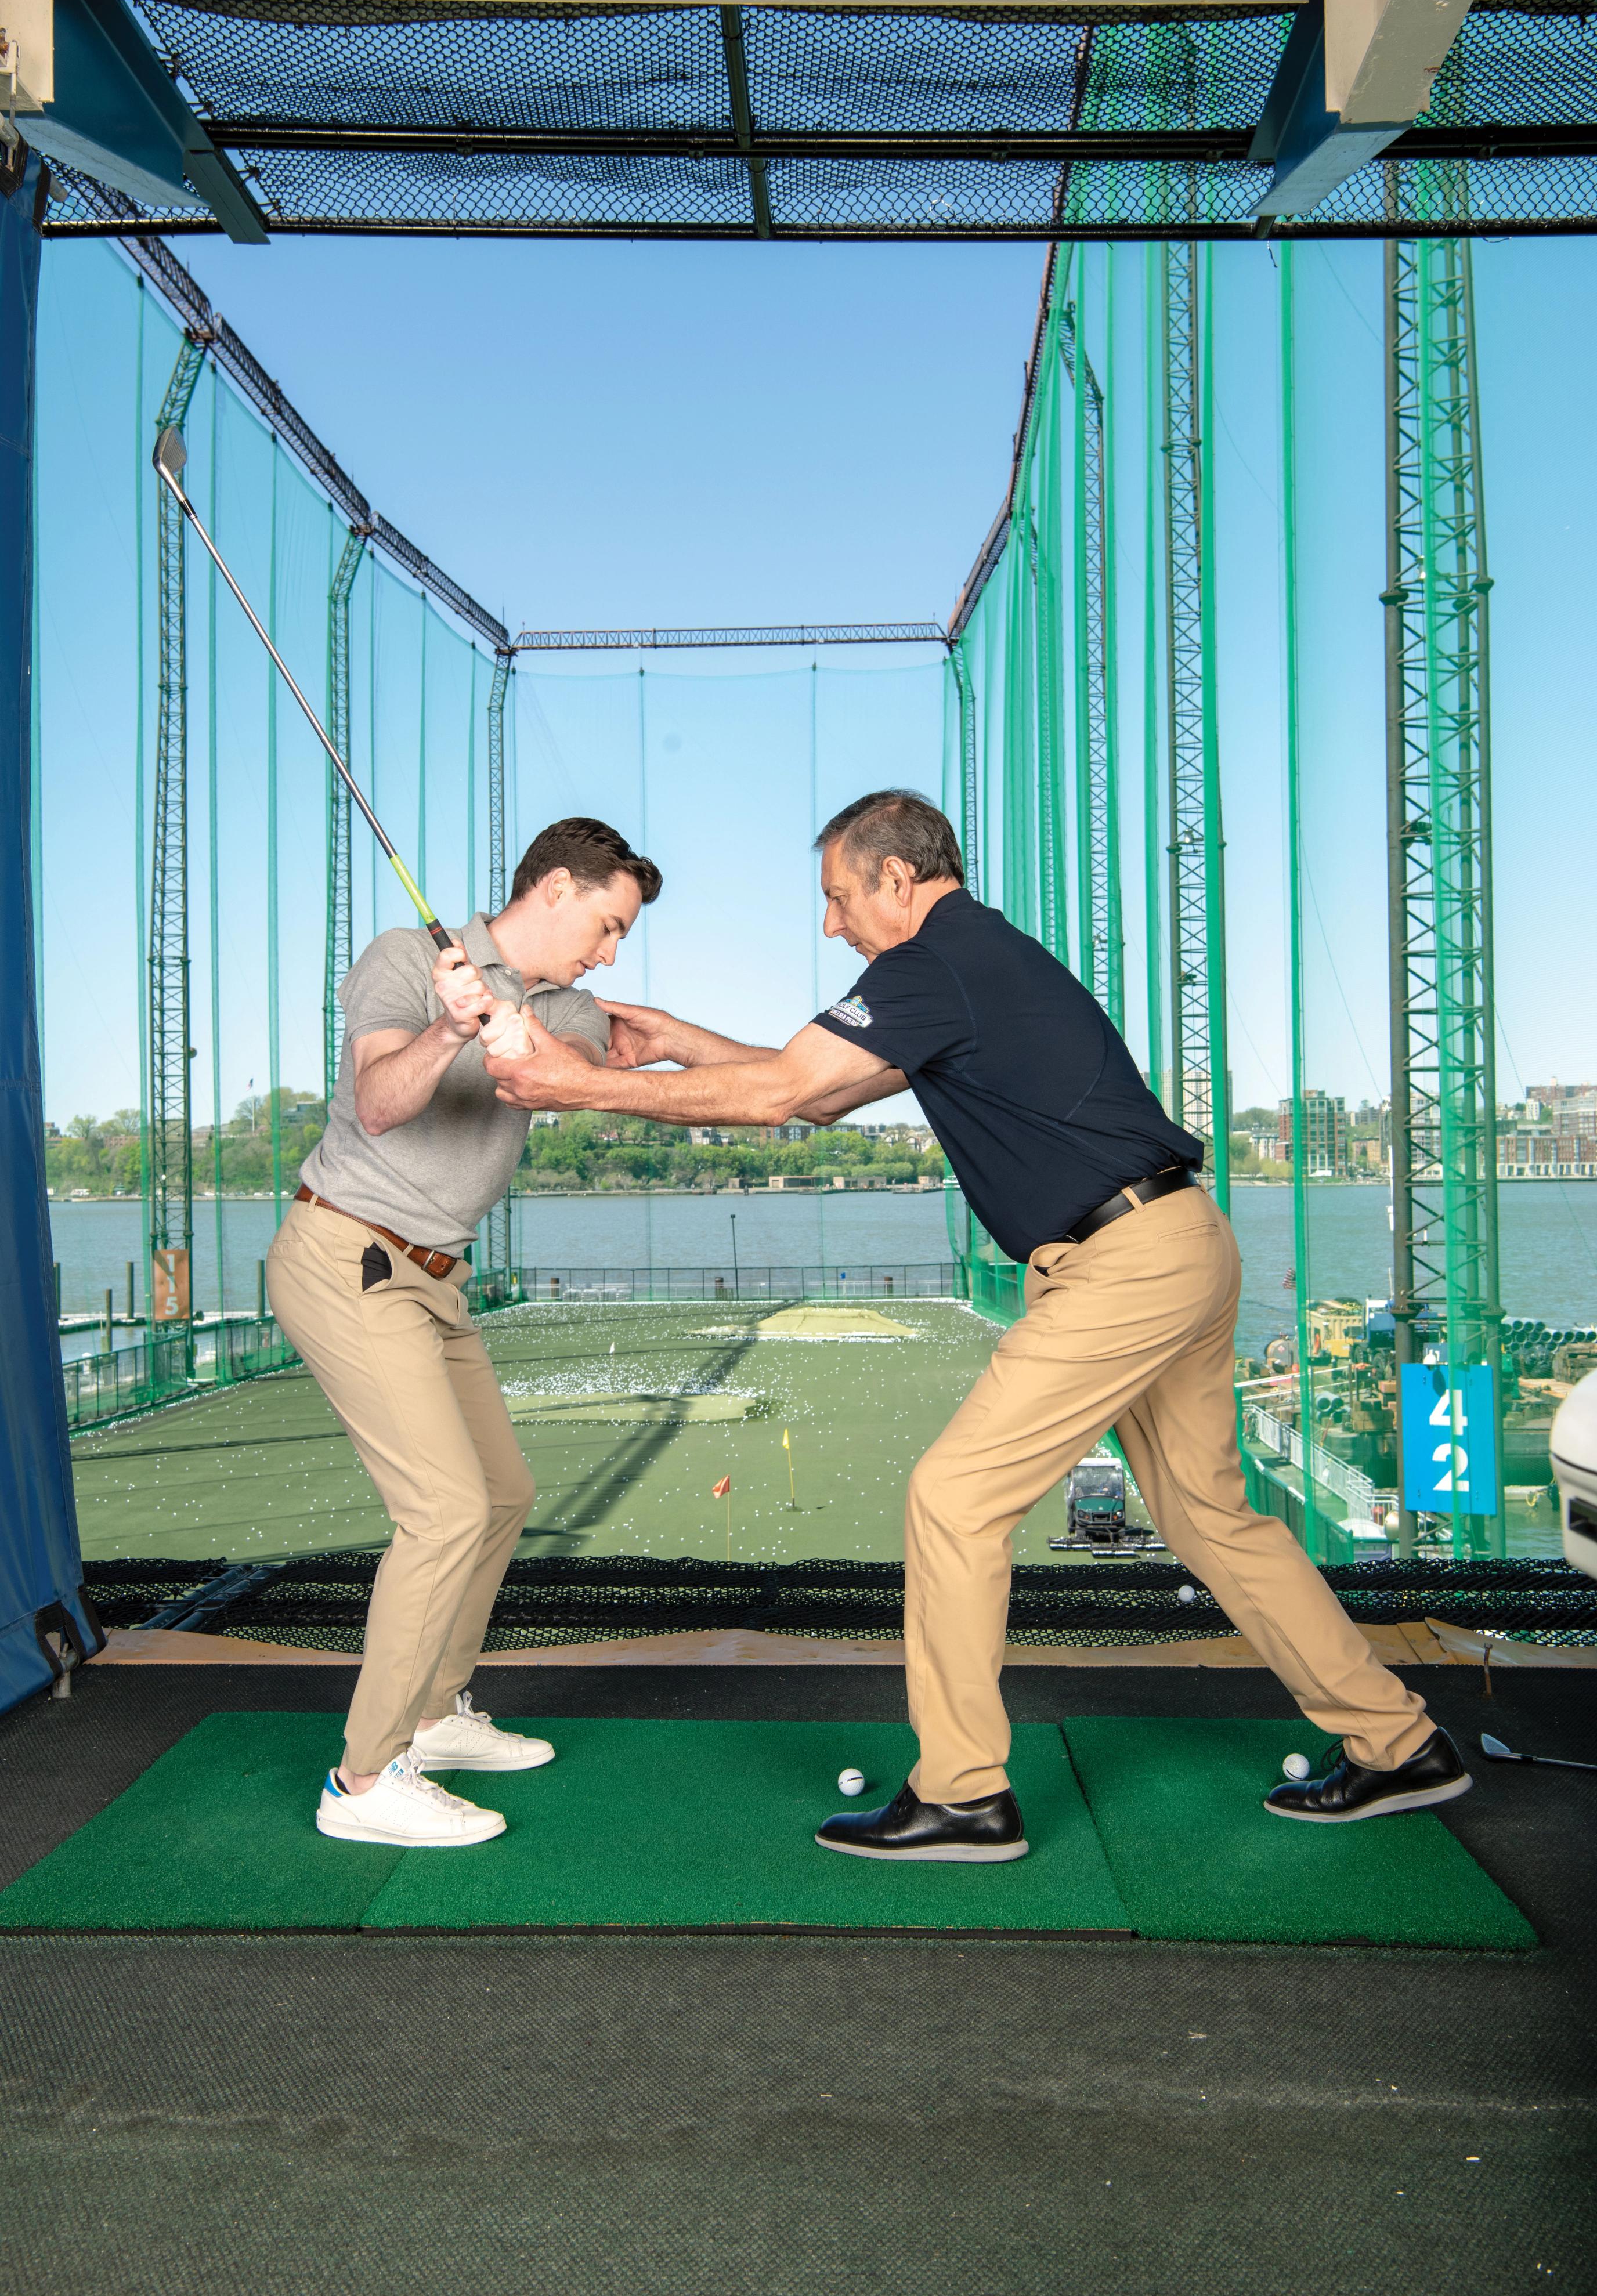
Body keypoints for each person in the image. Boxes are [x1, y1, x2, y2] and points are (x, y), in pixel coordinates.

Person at [480, 789, 1469, 1862]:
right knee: (1211, 1519)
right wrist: (674, 1041)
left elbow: (777, 1097)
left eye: (838, 896)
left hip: (1121, 1267)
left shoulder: (932, 965)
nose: (832, 925)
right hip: (1176, 1243)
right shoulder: (971, 961)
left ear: (897, 880)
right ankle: (1397, 1742)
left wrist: (576, 1088)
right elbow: (816, 1095)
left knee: (953, 1502)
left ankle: (960, 1794)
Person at [266, 816, 661, 1850]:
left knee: (500, 1496)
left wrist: (517, 1029)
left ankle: (437, 1716)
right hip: (349, 1254)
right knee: (442, 1511)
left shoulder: (564, 999)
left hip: (435, 1279)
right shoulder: (404, 960)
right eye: (609, 924)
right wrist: (449, 1028)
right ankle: (360, 1784)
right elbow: (380, 1103)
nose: (609, 951)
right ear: (560, 890)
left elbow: (561, 1066)